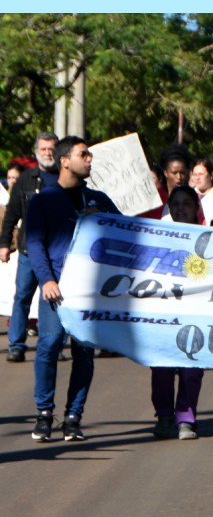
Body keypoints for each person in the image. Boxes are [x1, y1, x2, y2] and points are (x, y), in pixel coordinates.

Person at [26, 136, 120, 442]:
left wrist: (102, 222)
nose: (90, 159)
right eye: (84, 154)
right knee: (49, 345)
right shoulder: (43, 200)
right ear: (65, 160)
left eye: (90, 154)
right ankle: (44, 415)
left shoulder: (99, 200)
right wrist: (46, 280)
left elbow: (127, 233)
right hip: (57, 290)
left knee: (84, 353)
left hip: (90, 291)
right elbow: (34, 243)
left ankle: (73, 417)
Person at [150, 186, 206, 440]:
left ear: (197, 208)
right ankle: (163, 415)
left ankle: (186, 417)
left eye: (187, 203)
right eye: (176, 204)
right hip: (164, 311)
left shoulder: (211, 239)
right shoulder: (158, 237)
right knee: (161, 366)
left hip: (197, 311)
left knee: (191, 367)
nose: (181, 208)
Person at [0, 132, 59, 363]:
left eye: (51, 149)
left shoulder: (64, 179)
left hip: (55, 252)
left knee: (52, 300)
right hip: (27, 251)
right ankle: (16, 344)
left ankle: (50, 344)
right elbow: (12, 213)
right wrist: (4, 243)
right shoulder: (25, 179)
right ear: (36, 152)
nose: (47, 153)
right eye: (43, 149)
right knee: (22, 297)